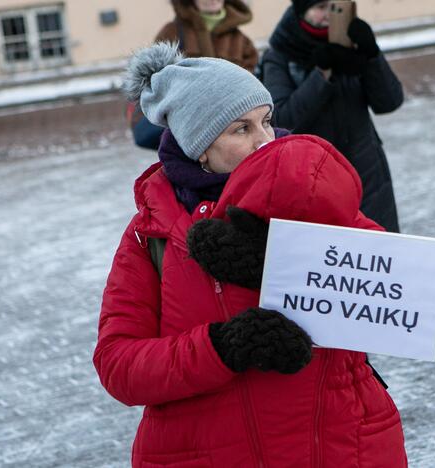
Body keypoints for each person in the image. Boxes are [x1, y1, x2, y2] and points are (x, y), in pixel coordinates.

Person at [94, 42, 407, 467]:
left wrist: (284, 258)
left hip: (337, 446)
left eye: (267, 121)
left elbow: (392, 295)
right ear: (197, 145)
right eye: (241, 129)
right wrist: (222, 348)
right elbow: (120, 366)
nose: (265, 141)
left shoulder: (311, 200)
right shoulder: (151, 234)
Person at [259, 0, 404, 233]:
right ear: (301, 12)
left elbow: (390, 102)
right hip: (312, 180)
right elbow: (281, 120)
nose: (328, 15)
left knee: (377, 256)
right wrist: (322, 73)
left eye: (334, 7)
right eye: (320, 7)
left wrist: (371, 55)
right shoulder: (280, 55)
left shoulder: (352, 43)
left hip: (368, 174)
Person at [128, 0, 259, 149]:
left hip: (229, 133)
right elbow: (158, 83)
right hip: (185, 132)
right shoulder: (171, 32)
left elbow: (250, 89)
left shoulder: (241, 40)